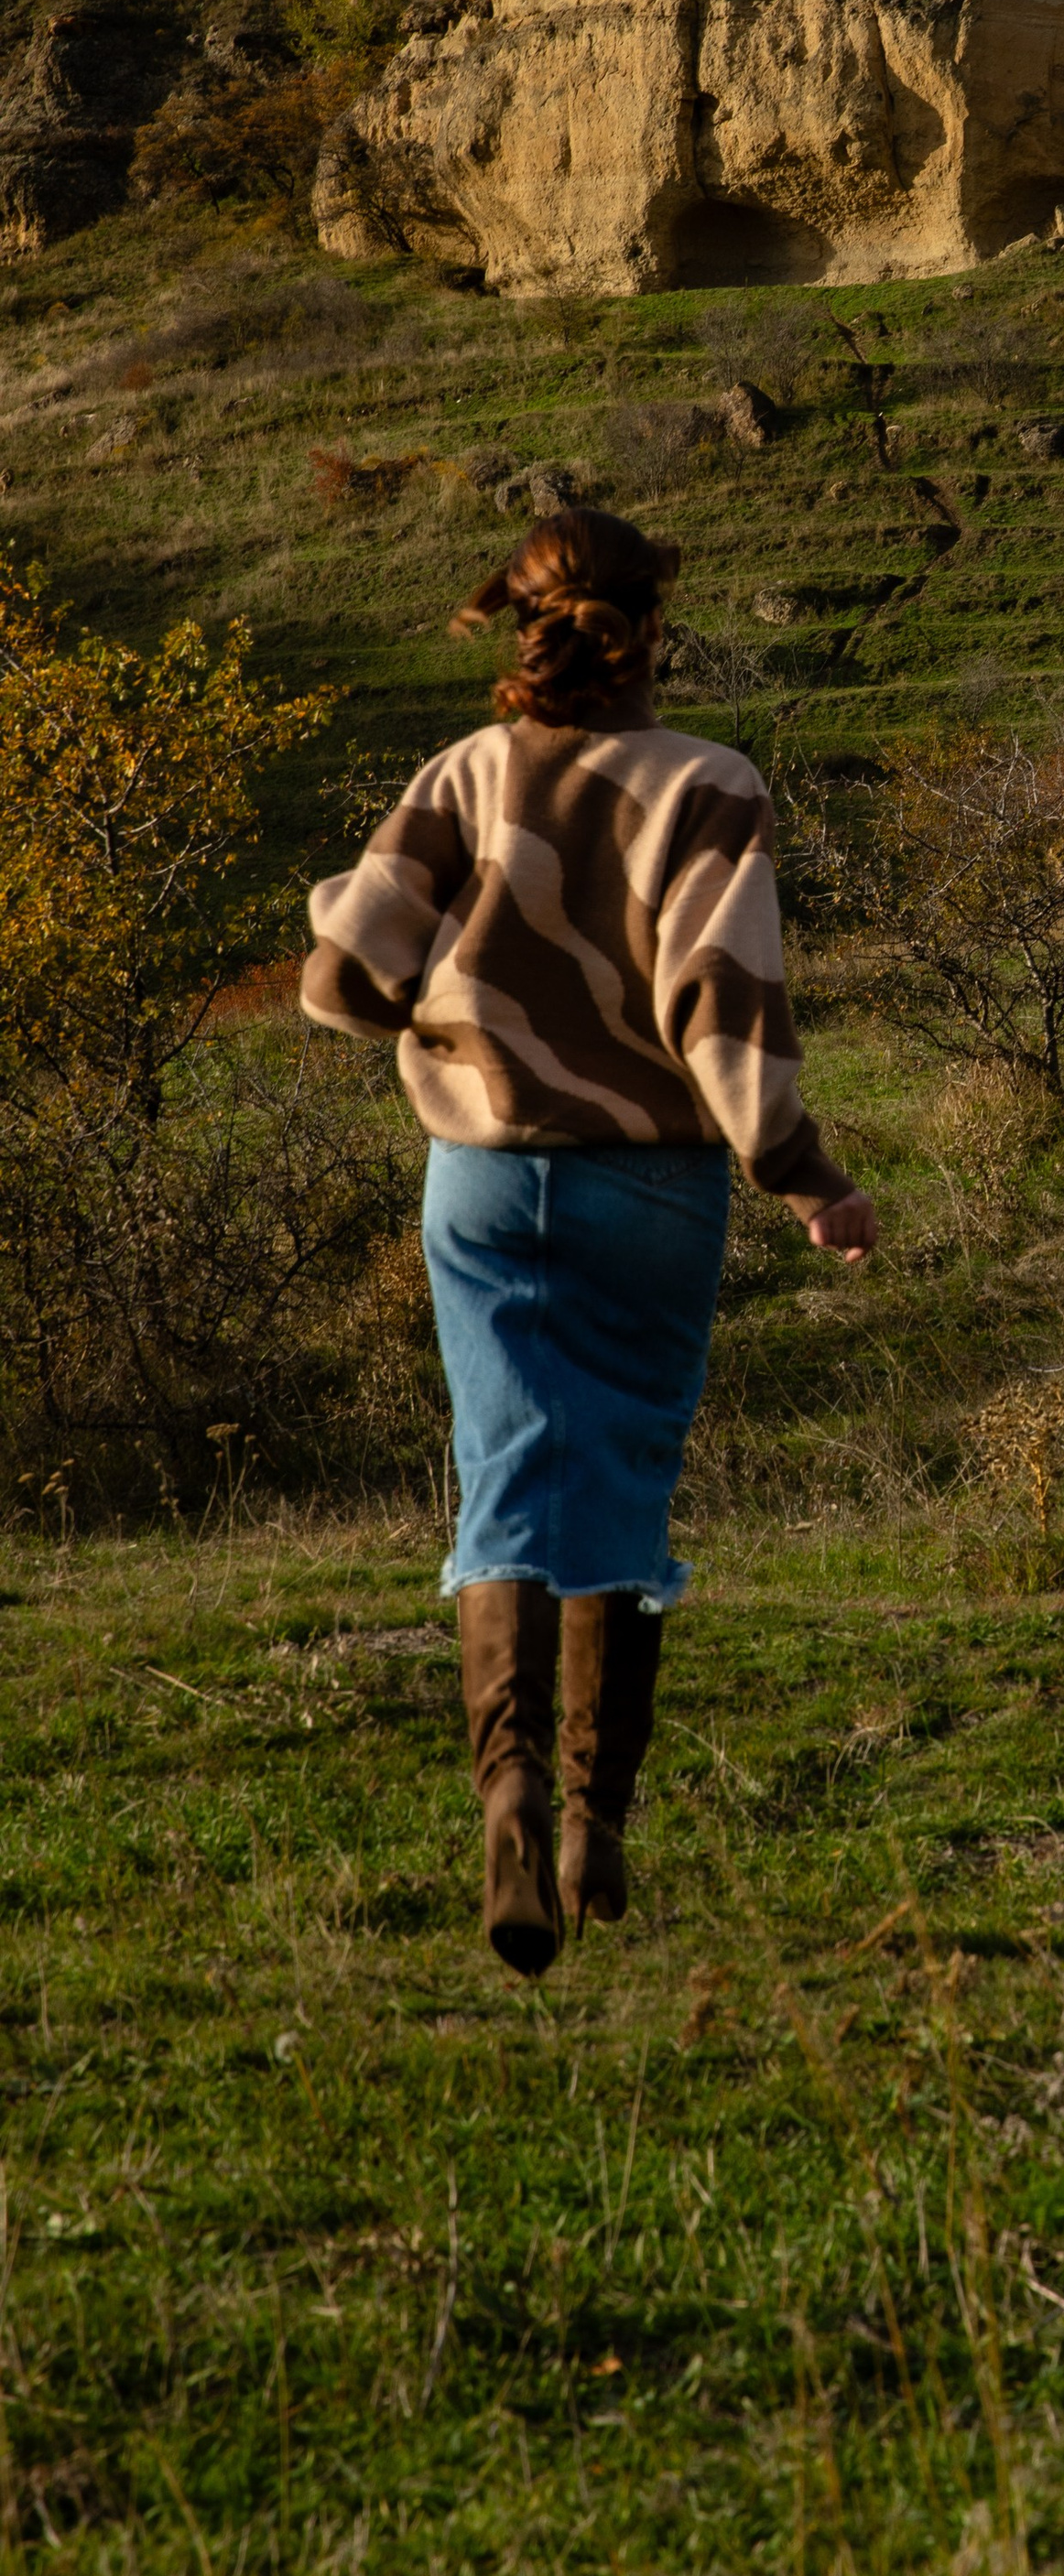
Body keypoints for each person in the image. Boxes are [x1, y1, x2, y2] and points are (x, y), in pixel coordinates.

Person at [301, 506, 876, 1977]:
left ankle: (501, 1804)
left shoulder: (465, 774)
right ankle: (590, 1820)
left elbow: (339, 976)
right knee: (617, 1474)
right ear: (654, 634)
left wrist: (442, 1019)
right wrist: (807, 1178)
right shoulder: (708, 786)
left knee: (505, 1466)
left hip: (481, 1183)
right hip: (654, 1191)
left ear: (524, 627)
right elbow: (722, 1008)